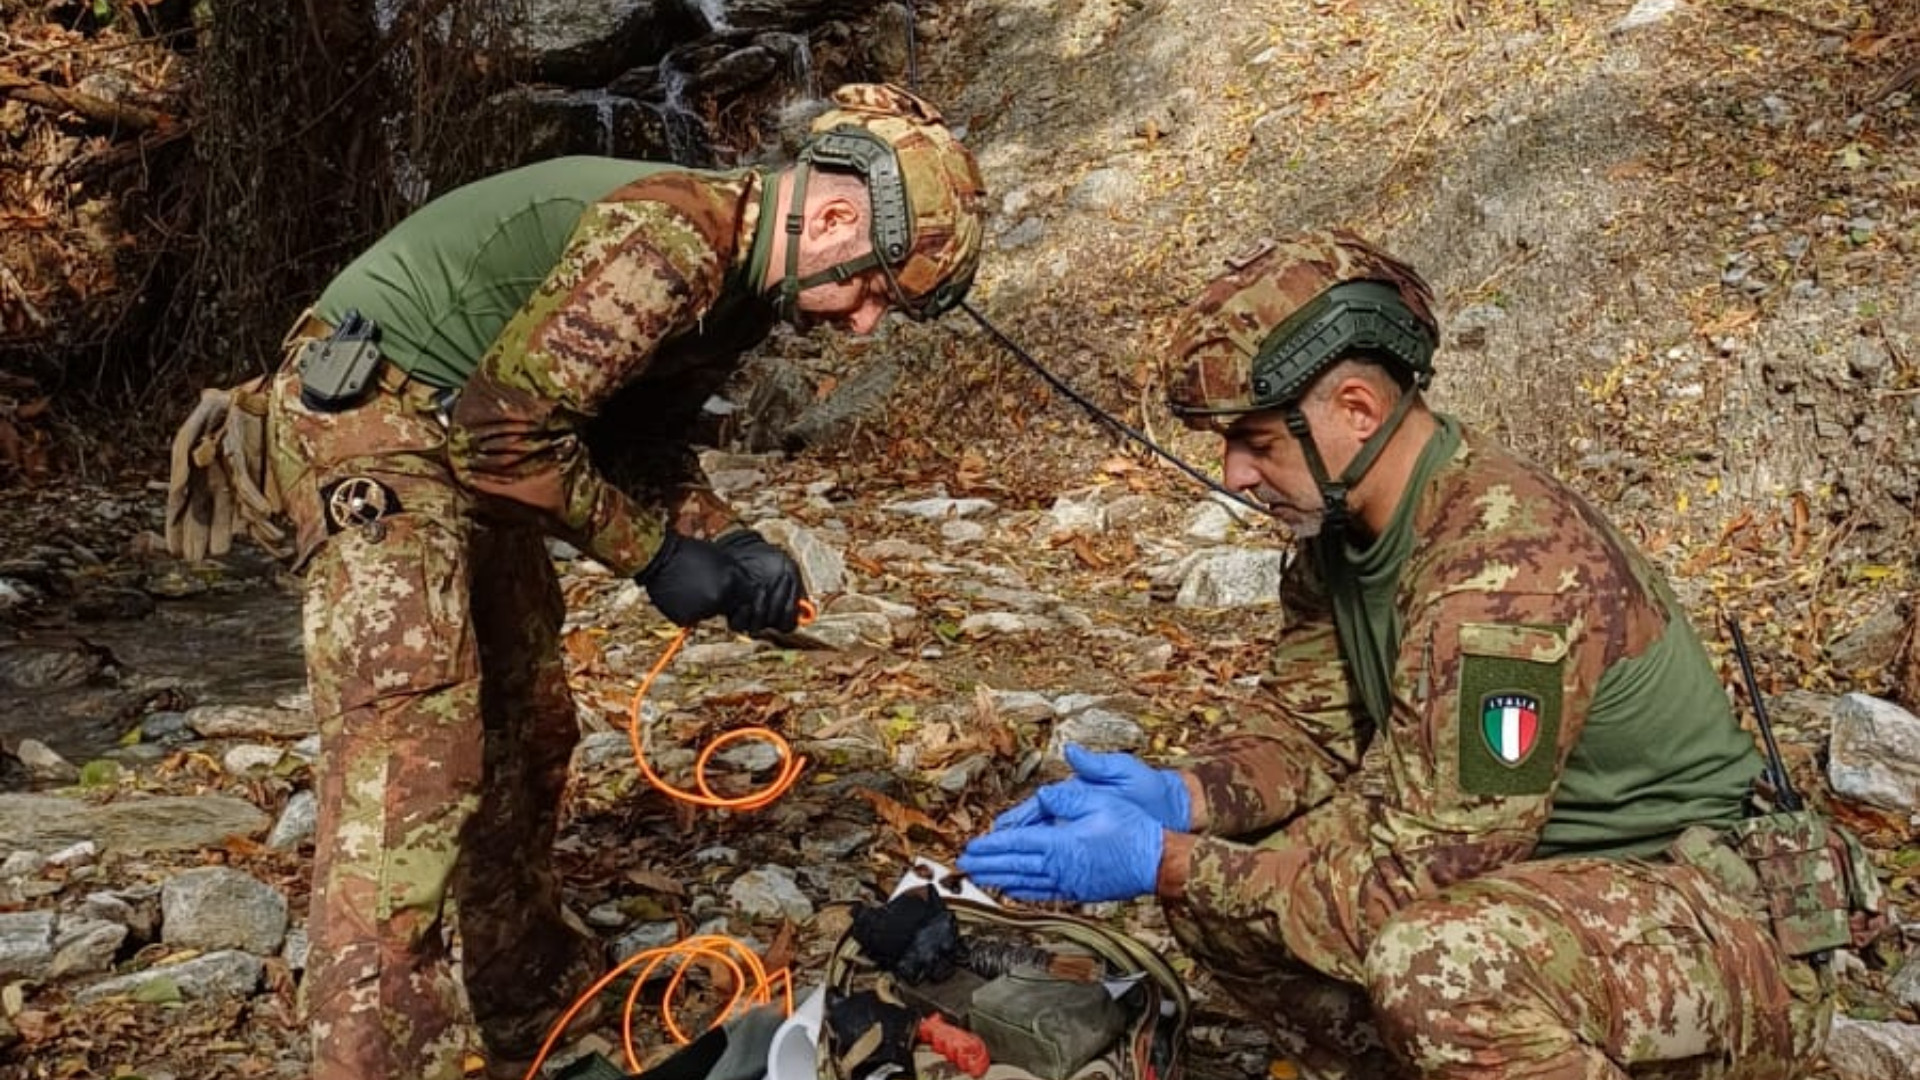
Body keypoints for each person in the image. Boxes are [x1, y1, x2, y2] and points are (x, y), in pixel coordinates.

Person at [166, 83, 985, 1080]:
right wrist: (654, 556)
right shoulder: (672, 238)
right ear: (837, 219)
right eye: (872, 293)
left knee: (530, 717)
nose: (862, 327)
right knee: (411, 758)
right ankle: (385, 1056)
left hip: (466, 431)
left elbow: (632, 441)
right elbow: (504, 433)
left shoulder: (741, 288)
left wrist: (730, 544)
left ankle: (532, 1005)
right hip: (375, 414)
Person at [959, 231, 1882, 1079]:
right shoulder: (1339, 535)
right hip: (1544, 886)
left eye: (1255, 441)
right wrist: (1182, 797)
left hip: (1708, 917)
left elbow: (1426, 872)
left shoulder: (1505, 577)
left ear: (1356, 409)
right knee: (1224, 894)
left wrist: (1162, 859)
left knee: (1438, 968)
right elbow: (1305, 734)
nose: (1236, 474)